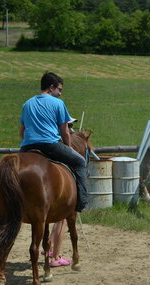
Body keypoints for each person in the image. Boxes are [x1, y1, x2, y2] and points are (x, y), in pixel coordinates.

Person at [19, 72, 88, 212]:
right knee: (81, 162)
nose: (60, 94)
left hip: (26, 147)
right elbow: (65, 132)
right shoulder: (58, 103)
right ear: (51, 87)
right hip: (49, 145)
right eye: (59, 89)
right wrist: (69, 148)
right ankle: (81, 203)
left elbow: (21, 132)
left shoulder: (27, 104)